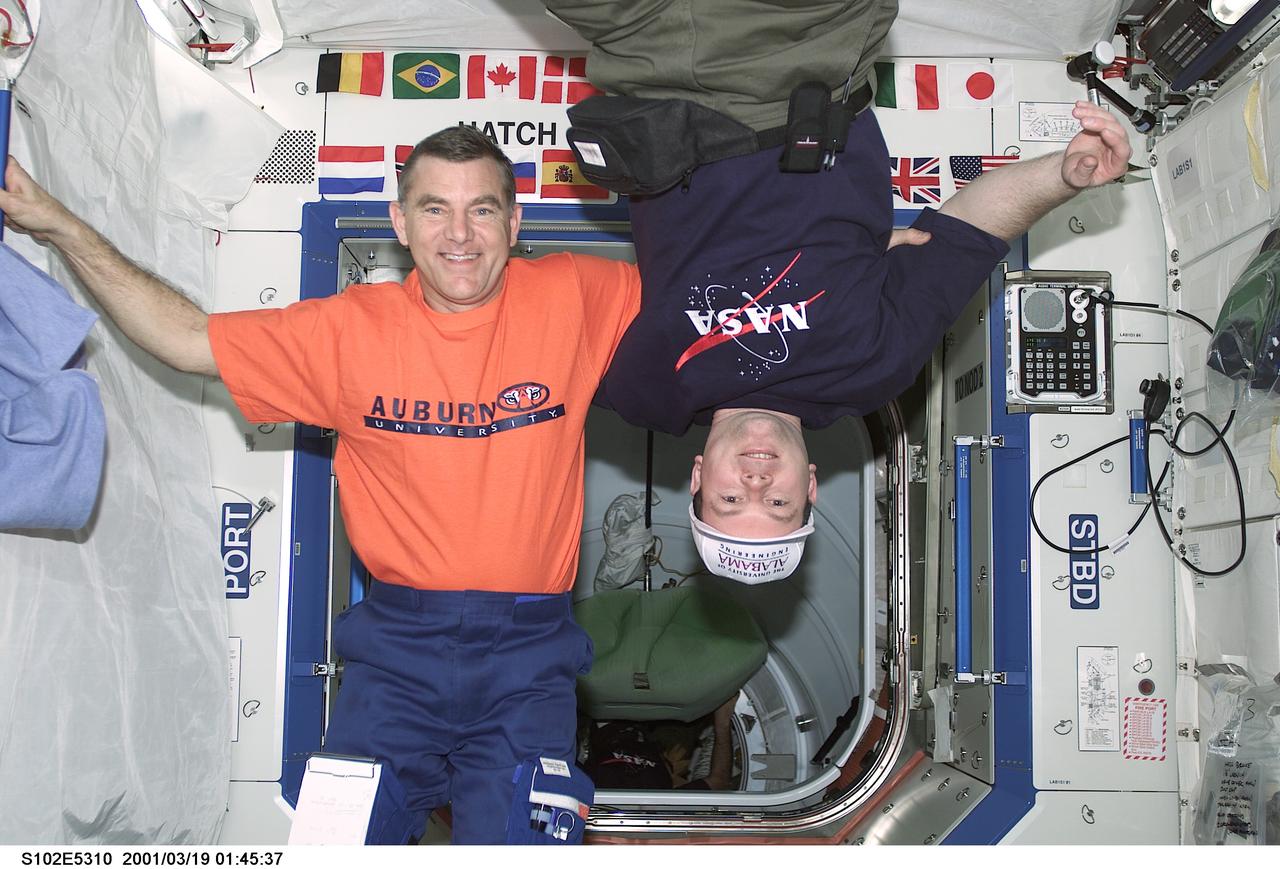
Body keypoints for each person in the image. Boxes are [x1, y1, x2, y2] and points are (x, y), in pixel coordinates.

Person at [0, 125, 641, 845]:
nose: (459, 234)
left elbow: (716, 324)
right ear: (400, 223)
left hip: (530, 663)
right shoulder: (348, 331)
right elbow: (186, 339)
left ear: (515, 221)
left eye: (482, 209)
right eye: (434, 208)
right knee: (330, 848)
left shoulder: (579, 293)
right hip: (396, 662)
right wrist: (60, 227)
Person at [547, 0, 1133, 583]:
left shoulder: (638, 390)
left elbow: (490, 346)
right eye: (778, 506)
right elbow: (971, 228)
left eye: (729, 503)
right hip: (795, 53)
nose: (755, 485)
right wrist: (1062, 177)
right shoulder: (874, 369)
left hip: (645, 62)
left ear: (698, 478)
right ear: (809, 486)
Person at [585, 697, 738, 792]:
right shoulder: (662, 807)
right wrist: (722, 722)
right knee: (693, 702)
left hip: (606, 723)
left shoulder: (596, 802)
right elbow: (719, 781)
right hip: (659, 743)